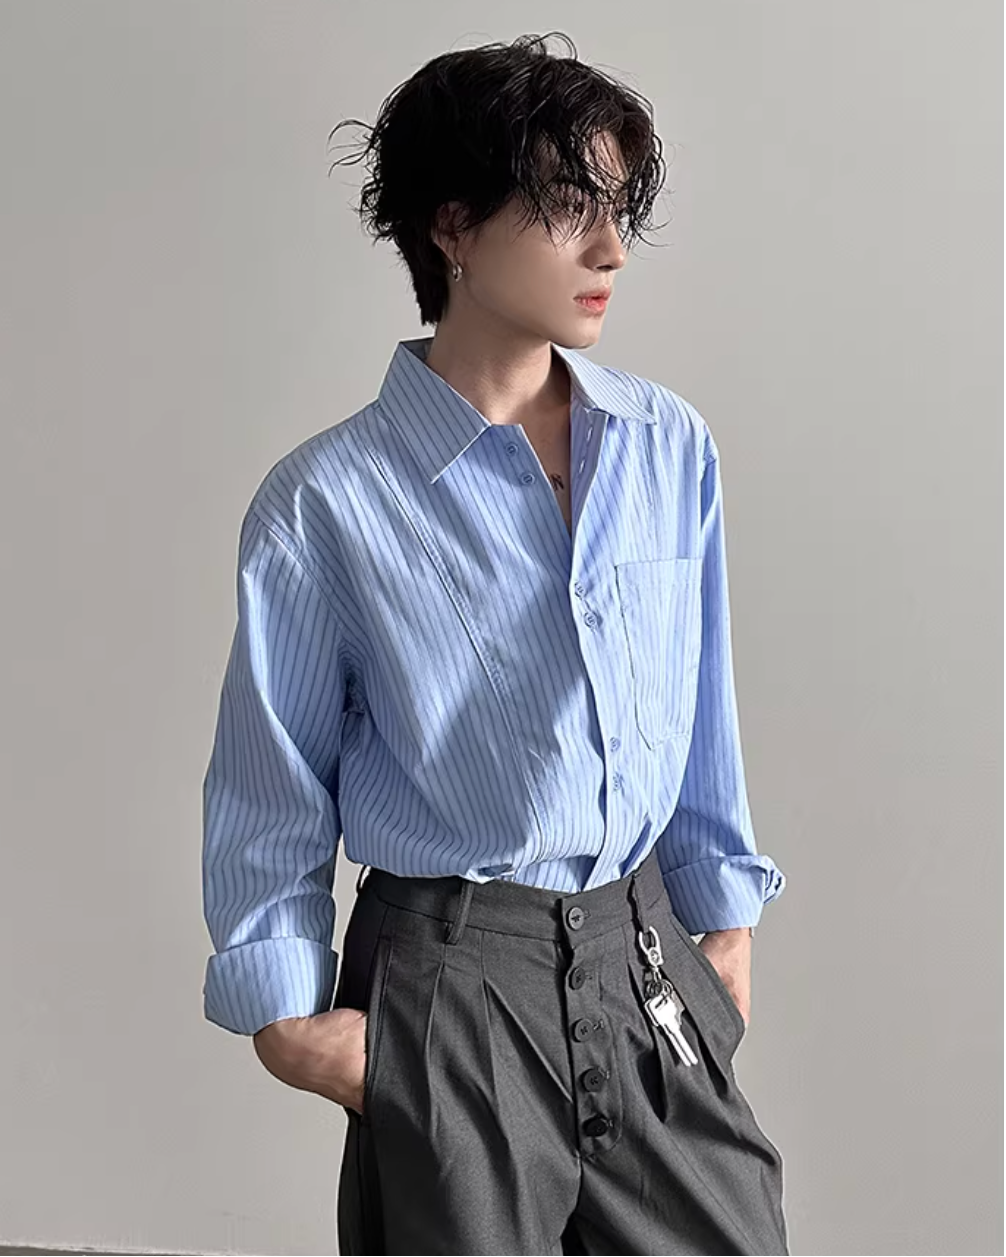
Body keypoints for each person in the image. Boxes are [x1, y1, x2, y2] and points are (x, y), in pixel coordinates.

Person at [201, 31, 789, 1257]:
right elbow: (271, 777)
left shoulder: (665, 447)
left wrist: (721, 923)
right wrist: (289, 1017)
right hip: (451, 976)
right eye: (570, 205)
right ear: (454, 227)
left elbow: (701, 703)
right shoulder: (326, 502)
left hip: (643, 954)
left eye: (618, 209)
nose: (610, 248)